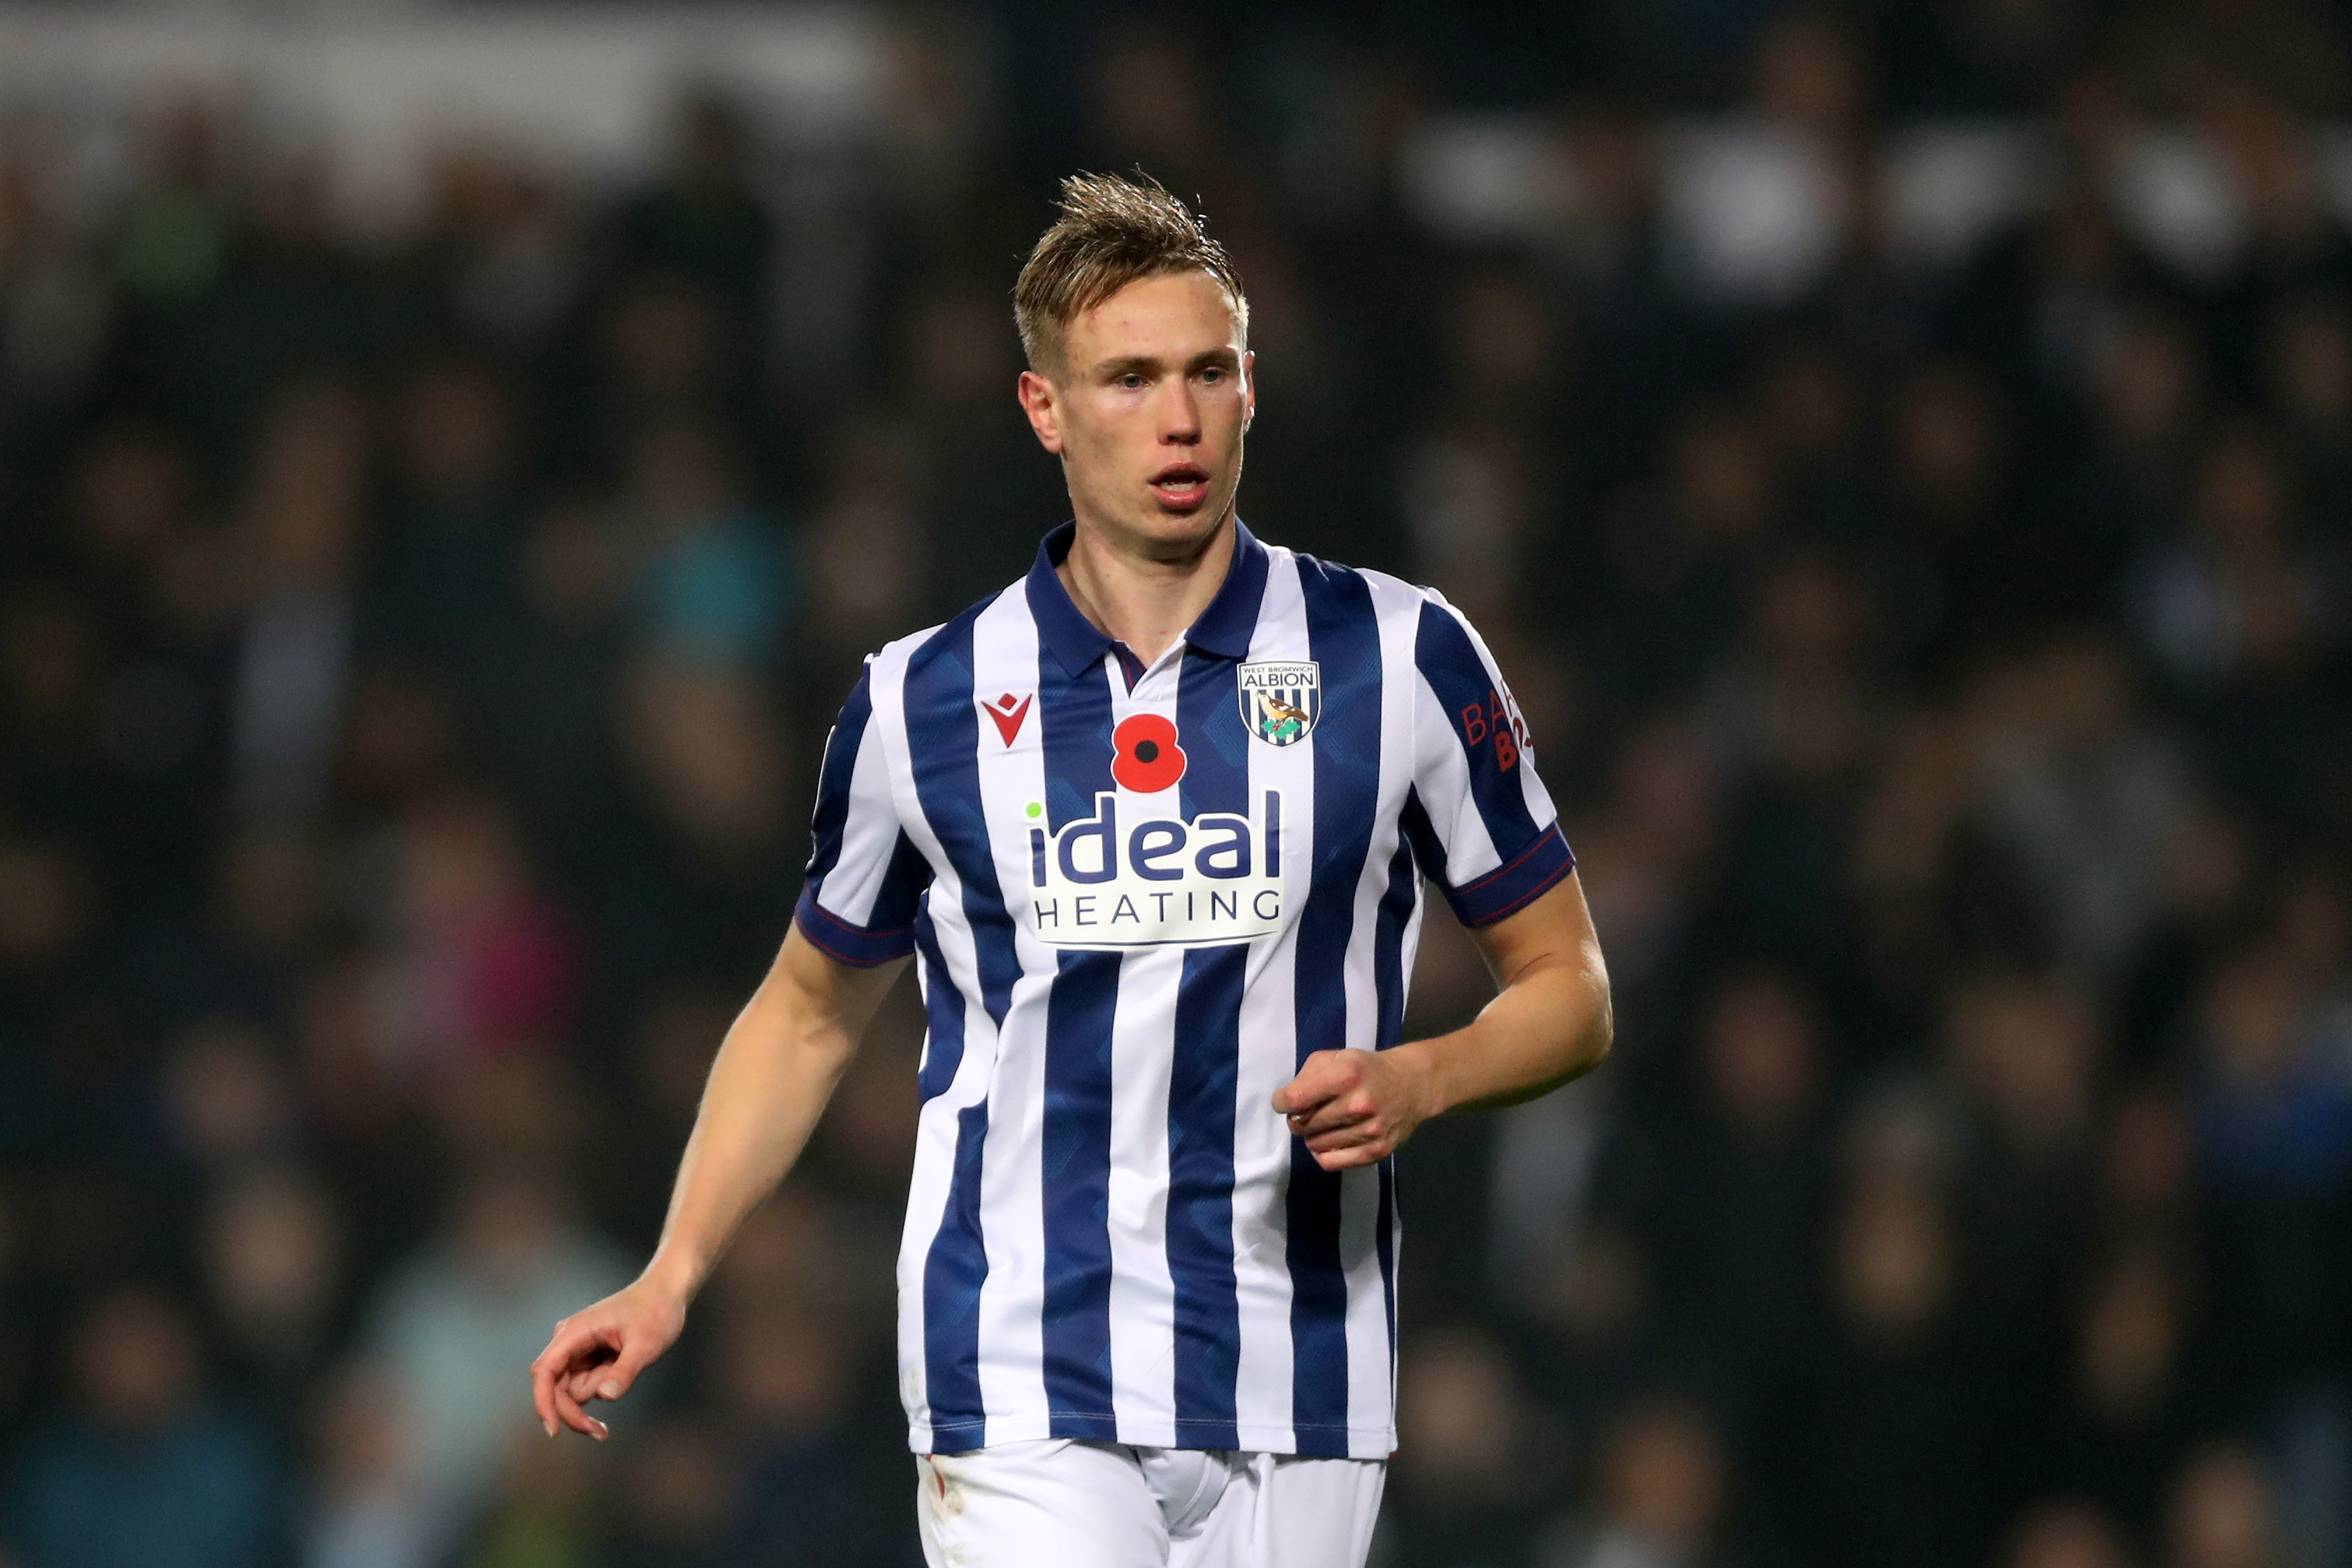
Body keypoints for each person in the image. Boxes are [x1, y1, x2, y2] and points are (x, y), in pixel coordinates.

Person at [529, 171, 1614, 1568]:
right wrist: (674, 1271)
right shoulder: (923, 700)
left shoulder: (1400, 657)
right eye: (1129, 378)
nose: (1177, 416)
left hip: (1304, 1368)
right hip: (1022, 1369)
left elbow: (1570, 987)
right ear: (1044, 408)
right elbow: (808, 1013)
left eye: (1208, 371)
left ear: (1250, 389)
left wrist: (1424, 1075)